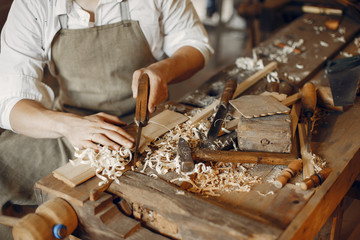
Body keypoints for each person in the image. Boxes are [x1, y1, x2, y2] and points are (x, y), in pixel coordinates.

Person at [0, 0, 213, 238]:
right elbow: (11, 103)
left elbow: (195, 45)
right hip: (71, 126)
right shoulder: (34, 4)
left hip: (147, 124)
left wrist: (165, 70)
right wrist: (68, 125)